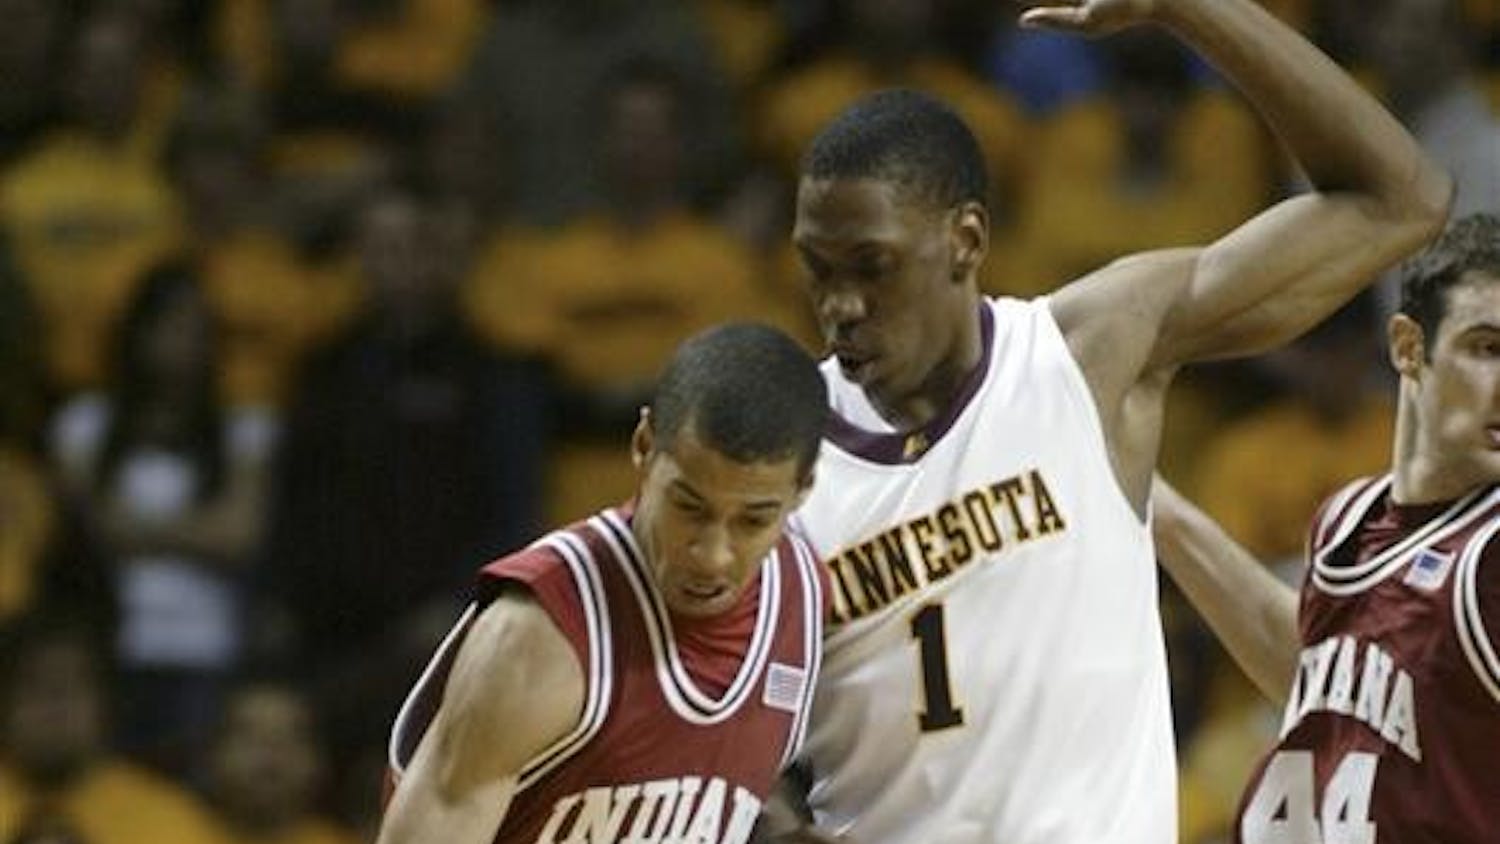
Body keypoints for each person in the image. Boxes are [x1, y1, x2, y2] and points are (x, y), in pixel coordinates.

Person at [772, 0, 1453, 841]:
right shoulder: (775, 454)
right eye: (818, 269)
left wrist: (1188, 11)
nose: (840, 305)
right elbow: (704, 734)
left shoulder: (1089, 351)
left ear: (966, 239)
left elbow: (1402, 197)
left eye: (872, 268)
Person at [377, 322, 830, 844]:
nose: (712, 554)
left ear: (803, 488)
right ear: (643, 446)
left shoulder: (802, 596)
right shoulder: (542, 634)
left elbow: (708, 784)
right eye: (688, 506)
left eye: (752, 520)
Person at [1152, 213, 1500, 843]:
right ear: (1408, 347)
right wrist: (1157, 507)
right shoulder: (1348, 519)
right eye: (1486, 348)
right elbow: (1315, 676)